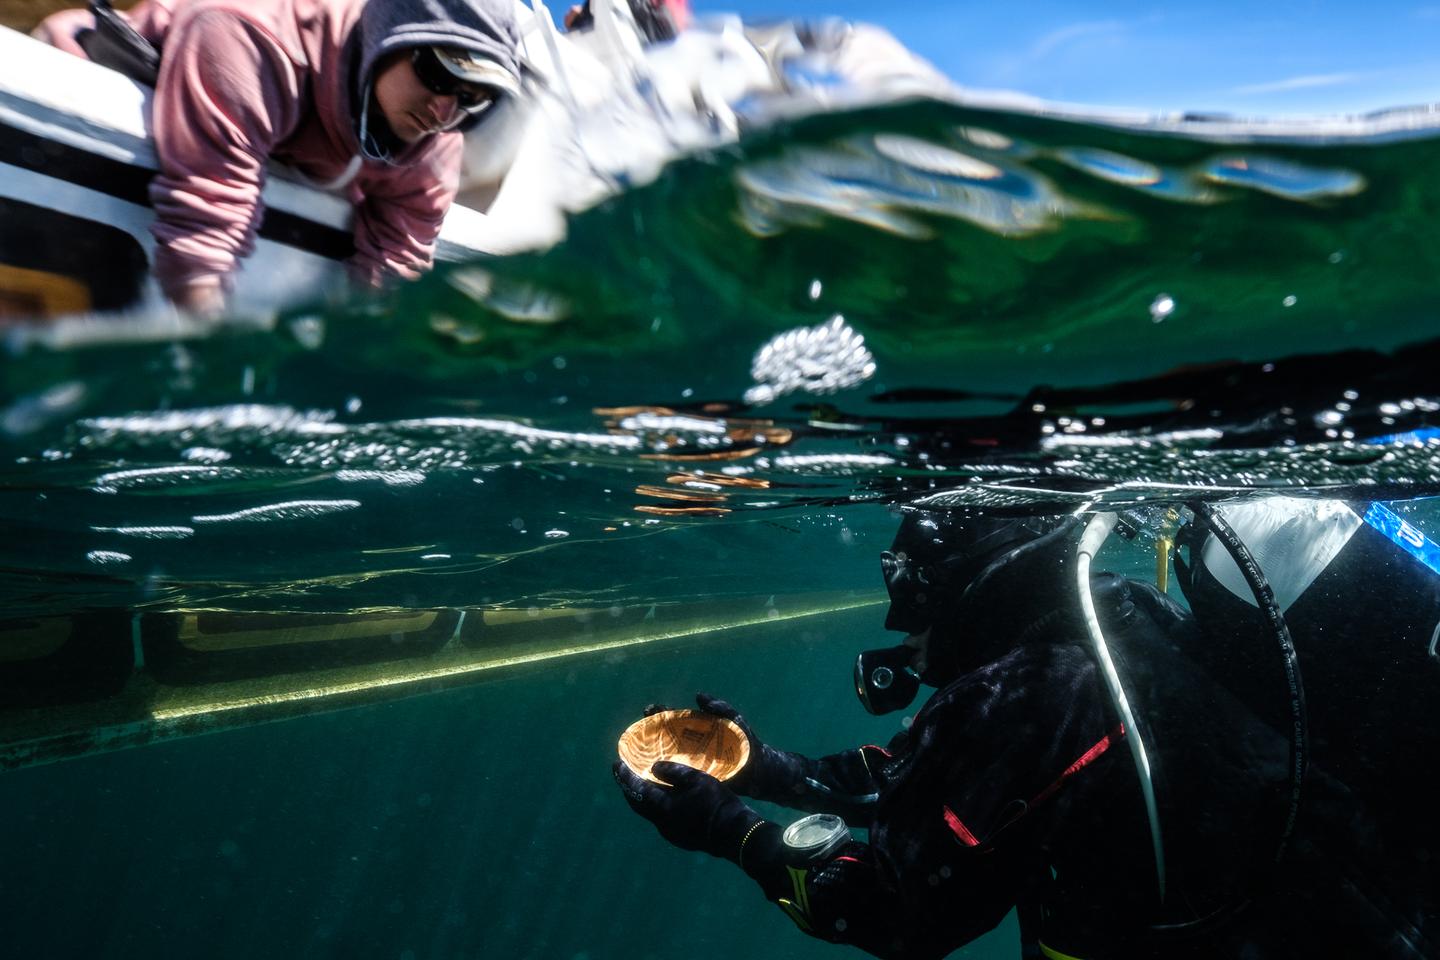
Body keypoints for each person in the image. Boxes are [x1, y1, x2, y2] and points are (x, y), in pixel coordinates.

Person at [614, 503, 1440, 959]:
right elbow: (937, 781)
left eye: (913, 583)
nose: (904, 615)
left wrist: (728, 831)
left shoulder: (1029, 692)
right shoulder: (1117, 622)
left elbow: (894, 910)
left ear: (974, 575)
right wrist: (764, 768)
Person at [34, 0, 524, 314]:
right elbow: (206, 224)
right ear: (392, 35)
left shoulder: (440, 136)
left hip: (264, 152)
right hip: (65, 83)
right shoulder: (247, 33)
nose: (444, 110)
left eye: (471, 95)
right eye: (439, 75)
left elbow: (392, 277)